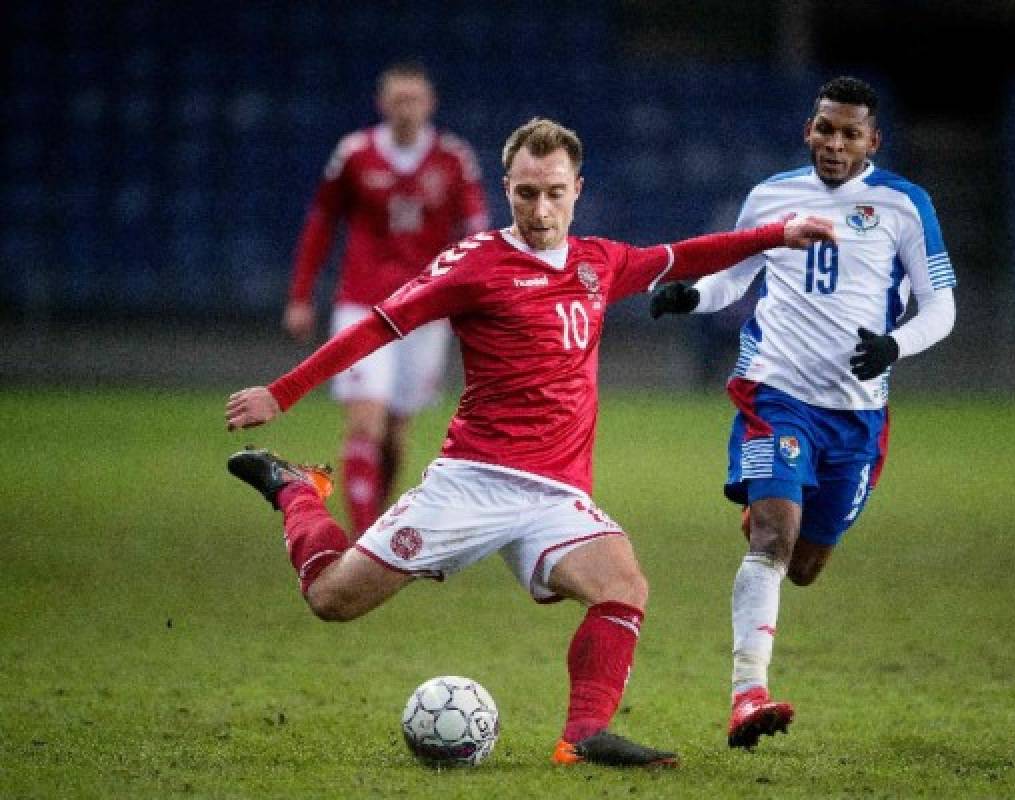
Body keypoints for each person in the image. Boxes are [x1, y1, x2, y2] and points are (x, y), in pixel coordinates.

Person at [225, 118, 837, 767]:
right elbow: (381, 324)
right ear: (507, 189)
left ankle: (584, 734)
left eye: (553, 193)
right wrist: (284, 392)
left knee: (623, 586)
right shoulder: (476, 263)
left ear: (577, 188)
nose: (540, 209)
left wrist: (777, 235)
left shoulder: (601, 261)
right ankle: (297, 492)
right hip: (471, 482)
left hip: (555, 495)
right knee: (331, 600)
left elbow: (685, 256)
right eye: (525, 194)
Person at [650, 76, 958, 749]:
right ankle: (746, 696)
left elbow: (943, 306)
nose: (835, 143)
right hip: (775, 395)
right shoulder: (771, 196)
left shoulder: (905, 206)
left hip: (855, 418)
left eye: (851, 133)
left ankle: (774, 502)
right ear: (808, 130)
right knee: (772, 542)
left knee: (805, 566)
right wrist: (690, 299)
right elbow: (733, 275)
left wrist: (893, 346)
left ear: (873, 140)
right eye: (825, 128)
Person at [284, 62, 490, 534]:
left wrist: (475, 296)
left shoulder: (453, 159)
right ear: (382, 104)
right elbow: (321, 223)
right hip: (363, 304)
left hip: (425, 310)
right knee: (365, 422)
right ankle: (364, 538)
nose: (406, 109)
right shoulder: (354, 155)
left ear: (430, 104)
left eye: (414, 99)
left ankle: (375, 516)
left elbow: (476, 231)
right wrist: (301, 295)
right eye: (398, 100)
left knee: (395, 434)